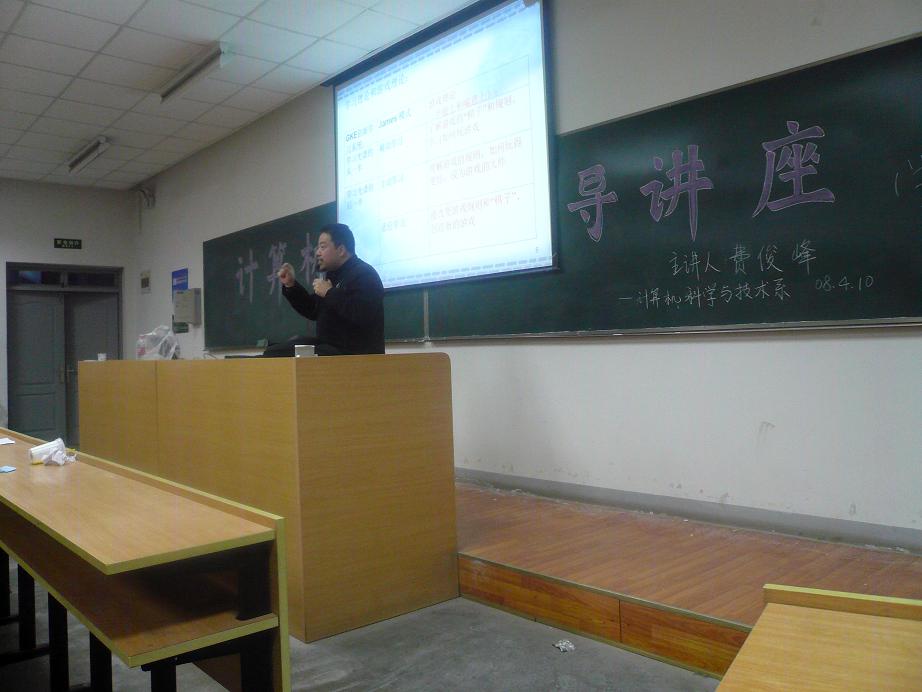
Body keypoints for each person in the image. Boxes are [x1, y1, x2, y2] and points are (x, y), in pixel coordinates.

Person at [265, 223, 384, 356]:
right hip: (329, 347)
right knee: (275, 350)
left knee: (280, 354)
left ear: (341, 250)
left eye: (322, 247)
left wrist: (329, 292)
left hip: (354, 353)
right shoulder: (333, 275)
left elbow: (361, 314)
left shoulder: (365, 274)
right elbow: (313, 309)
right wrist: (291, 285)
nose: (317, 253)